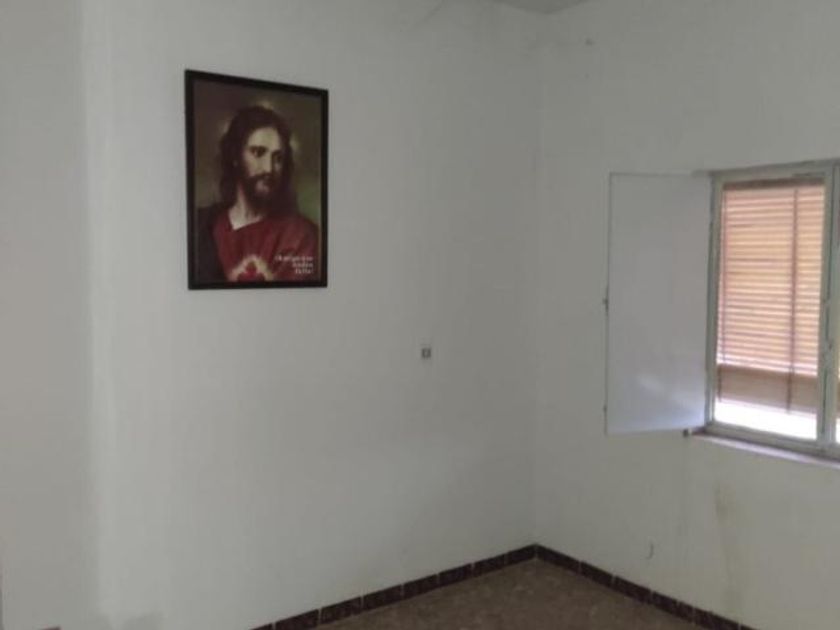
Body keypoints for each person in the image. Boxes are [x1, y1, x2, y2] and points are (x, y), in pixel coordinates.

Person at [194, 106, 319, 283]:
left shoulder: (300, 235)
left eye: (278, 158)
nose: (269, 168)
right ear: (235, 156)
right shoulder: (203, 225)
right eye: (258, 153)